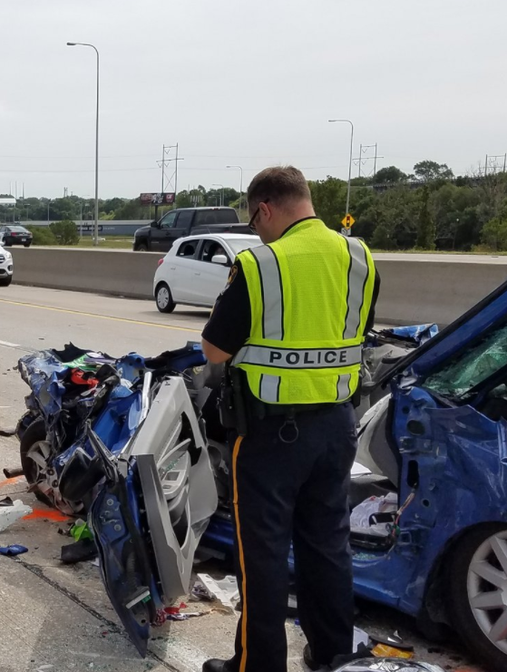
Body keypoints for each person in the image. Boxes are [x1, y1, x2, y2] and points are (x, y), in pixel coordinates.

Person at [199, 166, 380, 672]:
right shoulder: (359, 257)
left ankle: (257, 666)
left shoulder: (259, 264)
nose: (257, 230)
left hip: (270, 436)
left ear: (265, 209)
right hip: (338, 428)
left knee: (263, 557)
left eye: (255, 220)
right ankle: (333, 657)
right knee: (327, 548)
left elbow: (215, 349)